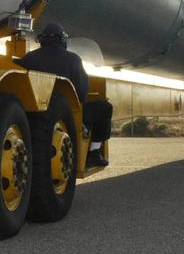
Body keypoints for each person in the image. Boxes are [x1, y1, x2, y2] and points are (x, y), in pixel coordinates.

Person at [17, 22, 113, 167]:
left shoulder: (29, 58)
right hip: (68, 115)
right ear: (62, 40)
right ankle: (94, 152)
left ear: (42, 40)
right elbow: (81, 93)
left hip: (33, 114)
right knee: (105, 108)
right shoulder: (73, 60)